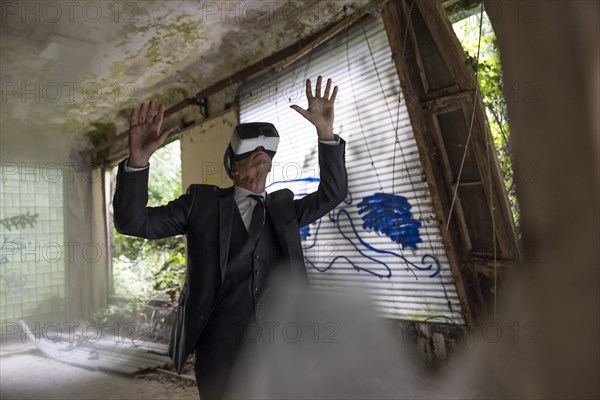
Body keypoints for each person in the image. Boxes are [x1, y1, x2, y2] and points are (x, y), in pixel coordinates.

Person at [113, 76, 348, 399]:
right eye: (252, 151)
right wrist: (138, 162)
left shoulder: (283, 209)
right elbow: (133, 222)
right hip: (220, 350)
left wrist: (325, 132)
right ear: (233, 169)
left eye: (267, 150)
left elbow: (333, 193)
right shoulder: (201, 204)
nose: (261, 153)